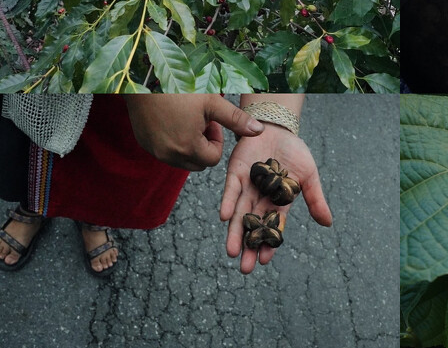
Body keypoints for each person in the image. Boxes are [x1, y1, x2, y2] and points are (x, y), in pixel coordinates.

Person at [0, 94, 332, 276]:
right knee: (35, 144)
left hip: (174, 109)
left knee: (116, 174)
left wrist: (273, 117)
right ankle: (34, 206)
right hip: (57, 92)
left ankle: (93, 216)